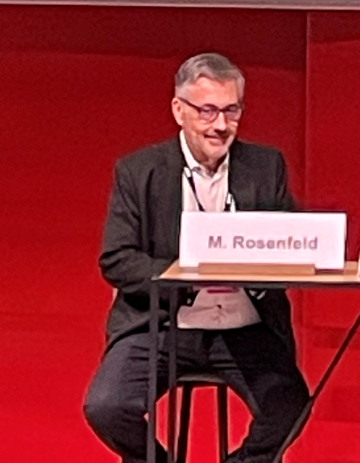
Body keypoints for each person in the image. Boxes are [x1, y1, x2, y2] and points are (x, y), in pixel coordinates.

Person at [84, 52, 309, 463]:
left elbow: (288, 245)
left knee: (289, 408)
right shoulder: (138, 171)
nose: (220, 125)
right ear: (178, 110)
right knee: (107, 408)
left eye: (231, 110)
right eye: (207, 111)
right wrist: (189, 273)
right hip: (162, 325)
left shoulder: (266, 166)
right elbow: (117, 259)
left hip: (246, 328)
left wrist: (261, 270)